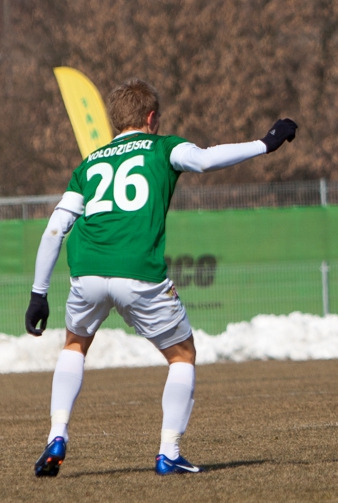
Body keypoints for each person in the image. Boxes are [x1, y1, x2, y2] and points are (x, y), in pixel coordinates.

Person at [24, 78, 297, 476]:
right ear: (151, 117)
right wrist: (264, 144)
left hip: (87, 272)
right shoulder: (163, 147)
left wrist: (38, 293)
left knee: (74, 346)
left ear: (116, 122)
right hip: (138, 272)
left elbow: (55, 228)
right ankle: (168, 452)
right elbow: (205, 160)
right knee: (182, 355)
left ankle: (56, 435)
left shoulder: (89, 164)